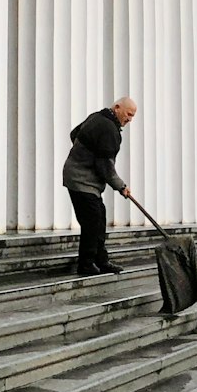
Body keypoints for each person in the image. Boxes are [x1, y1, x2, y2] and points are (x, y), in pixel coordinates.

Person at [62, 97, 136, 276]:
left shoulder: (96, 117)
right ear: (117, 108)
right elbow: (105, 166)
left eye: (132, 116)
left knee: (99, 218)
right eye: (128, 114)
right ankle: (86, 264)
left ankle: (101, 261)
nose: (129, 119)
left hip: (83, 179)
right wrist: (121, 186)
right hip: (81, 180)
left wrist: (83, 153)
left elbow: (74, 134)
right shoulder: (108, 128)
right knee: (92, 222)